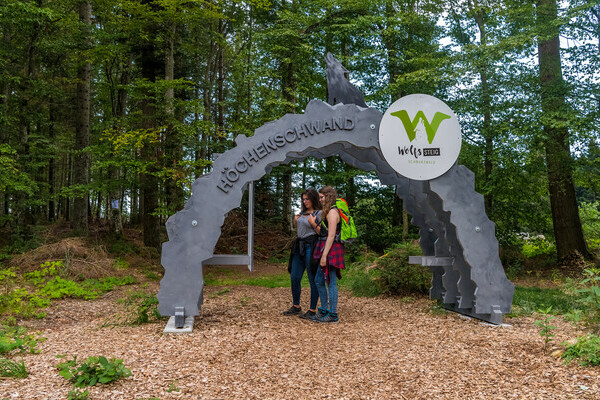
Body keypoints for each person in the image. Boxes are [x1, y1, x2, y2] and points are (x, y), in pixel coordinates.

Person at [283, 188, 322, 319]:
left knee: (312, 279)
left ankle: (312, 310)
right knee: (294, 276)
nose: (305, 201)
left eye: (307, 199)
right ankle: (296, 306)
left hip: (311, 246)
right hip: (298, 246)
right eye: (303, 199)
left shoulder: (319, 213)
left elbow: (322, 232)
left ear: (313, 199)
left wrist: (313, 223)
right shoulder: (301, 213)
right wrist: (295, 221)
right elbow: (299, 228)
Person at [312, 186, 345, 323]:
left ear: (329, 196)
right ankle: (325, 310)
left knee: (330, 281)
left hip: (331, 250)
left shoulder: (332, 212)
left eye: (322, 197)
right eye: (319, 197)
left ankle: (333, 314)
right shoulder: (328, 211)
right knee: (319, 280)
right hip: (327, 248)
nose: (320, 200)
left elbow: (331, 235)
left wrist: (324, 256)